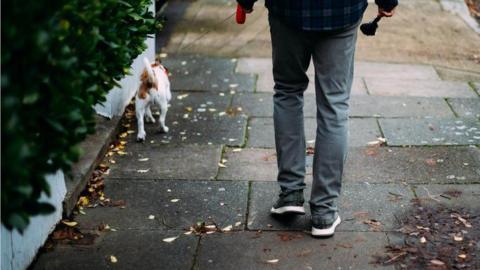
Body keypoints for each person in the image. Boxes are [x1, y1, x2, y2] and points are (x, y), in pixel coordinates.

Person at [236, 0, 397, 237]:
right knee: (335, 104)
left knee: (287, 91)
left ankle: (290, 192)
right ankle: (324, 211)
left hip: (290, 11)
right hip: (340, 12)